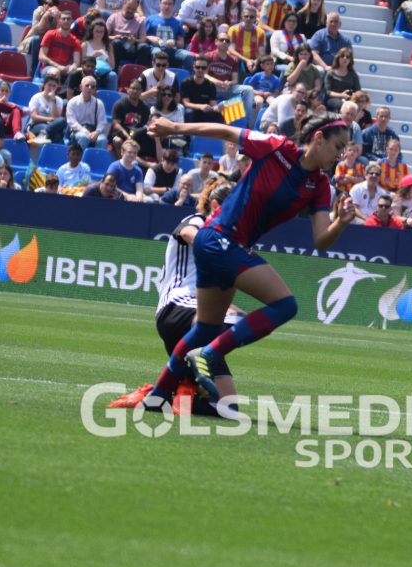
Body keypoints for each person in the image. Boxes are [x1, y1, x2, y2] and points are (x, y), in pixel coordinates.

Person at [132, 113, 354, 411]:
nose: (340, 155)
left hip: (223, 246)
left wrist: (340, 222)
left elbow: (321, 239)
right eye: (337, 146)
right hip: (219, 239)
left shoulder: (320, 186)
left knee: (206, 328)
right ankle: (207, 355)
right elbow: (226, 131)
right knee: (286, 305)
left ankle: (156, 398)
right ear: (318, 138)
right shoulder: (277, 147)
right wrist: (175, 128)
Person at [110, 179, 241, 415]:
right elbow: (191, 235)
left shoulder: (226, 235)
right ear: (214, 205)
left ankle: (164, 397)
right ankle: (197, 359)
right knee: (237, 319)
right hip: (177, 306)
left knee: (228, 408)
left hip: (192, 319)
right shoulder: (195, 221)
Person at [66, 75, 108, 150]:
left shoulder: (99, 103)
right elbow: (71, 121)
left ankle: (97, 160)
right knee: (84, 137)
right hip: (78, 131)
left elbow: (102, 121)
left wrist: (97, 132)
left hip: (94, 131)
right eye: (87, 85)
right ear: (80, 87)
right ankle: (79, 160)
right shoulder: (72, 102)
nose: (89, 88)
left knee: (102, 140)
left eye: (92, 87)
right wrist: (84, 131)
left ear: (95, 89)